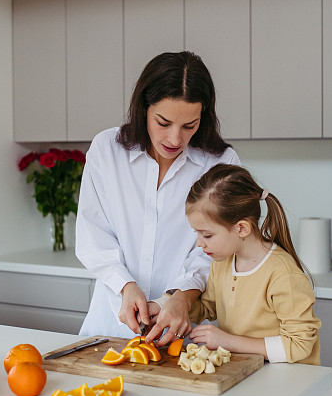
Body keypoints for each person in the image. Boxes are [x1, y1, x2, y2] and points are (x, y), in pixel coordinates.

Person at [75, 51, 240, 345]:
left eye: (189, 126)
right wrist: (125, 285)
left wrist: (180, 296)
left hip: (185, 336)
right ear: (143, 109)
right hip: (108, 329)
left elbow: (219, 249)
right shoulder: (107, 150)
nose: (175, 139)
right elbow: (93, 236)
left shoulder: (220, 163)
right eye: (163, 123)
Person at [149, 163, 321, 364]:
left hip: (288, 378)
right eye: (197, 233)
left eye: (207, 235)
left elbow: (299, 345)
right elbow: (207, 306)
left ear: (241, 229)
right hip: (248, 372)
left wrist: (227, 341)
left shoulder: (282, 274)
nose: (199, 243)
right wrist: (164, 306)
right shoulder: (223, 262)